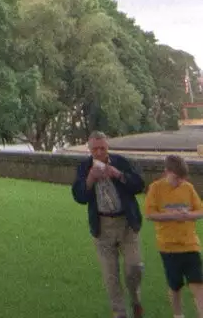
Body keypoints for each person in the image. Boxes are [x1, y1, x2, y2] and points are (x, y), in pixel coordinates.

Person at [72, 131, 147, 318]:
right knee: (110, 276)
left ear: (108, 147)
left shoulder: (121, 162)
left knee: (134, 267)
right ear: (89, 150)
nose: (99, 153)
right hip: (102, 226)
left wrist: (119, 175)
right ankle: (120, 313)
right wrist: (90, 179)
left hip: (126, 224)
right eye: (95, 149)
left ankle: (136, 300)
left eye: (102, 148)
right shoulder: (84, 168)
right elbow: (79, 196)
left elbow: (139, 185)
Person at [145, 154, 203, 316]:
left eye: (182, 179)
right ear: (167, 172)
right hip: (168, 247)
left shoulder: (188, 188)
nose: (180, 182)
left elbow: (200, 210)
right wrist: (170, 215)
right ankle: (178, 315)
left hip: (190, 244)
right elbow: (149, 214)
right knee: (175, 286)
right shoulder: (156, 188)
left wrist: (188, 215)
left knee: (198, 284)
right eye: (176, 178)